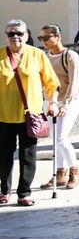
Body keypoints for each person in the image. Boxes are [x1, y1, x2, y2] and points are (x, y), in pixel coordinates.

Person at [1, 21, 59, 207]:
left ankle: (24, 193)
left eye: (19, 33)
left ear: (27, 35)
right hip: (3, 114)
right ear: (6, 36)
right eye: (11, 34)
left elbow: (51, 83)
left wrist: (53, 103)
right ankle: (4, 191)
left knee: (28, 155)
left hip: (30, 115)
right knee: (4, 155)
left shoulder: (37, 55)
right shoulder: (1, 55)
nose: (15, 37)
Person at [38, 25, 79, 190]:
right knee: (55, 139)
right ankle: (60, 174)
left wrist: (65, 105)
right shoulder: (44, 56)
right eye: (41, 38)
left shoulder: (70, 56)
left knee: (61, 138)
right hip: (50, 102)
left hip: (68, 101)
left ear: (58, 37)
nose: (43, 41)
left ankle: (75, 172)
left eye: (46, 37)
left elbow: (73, 82)